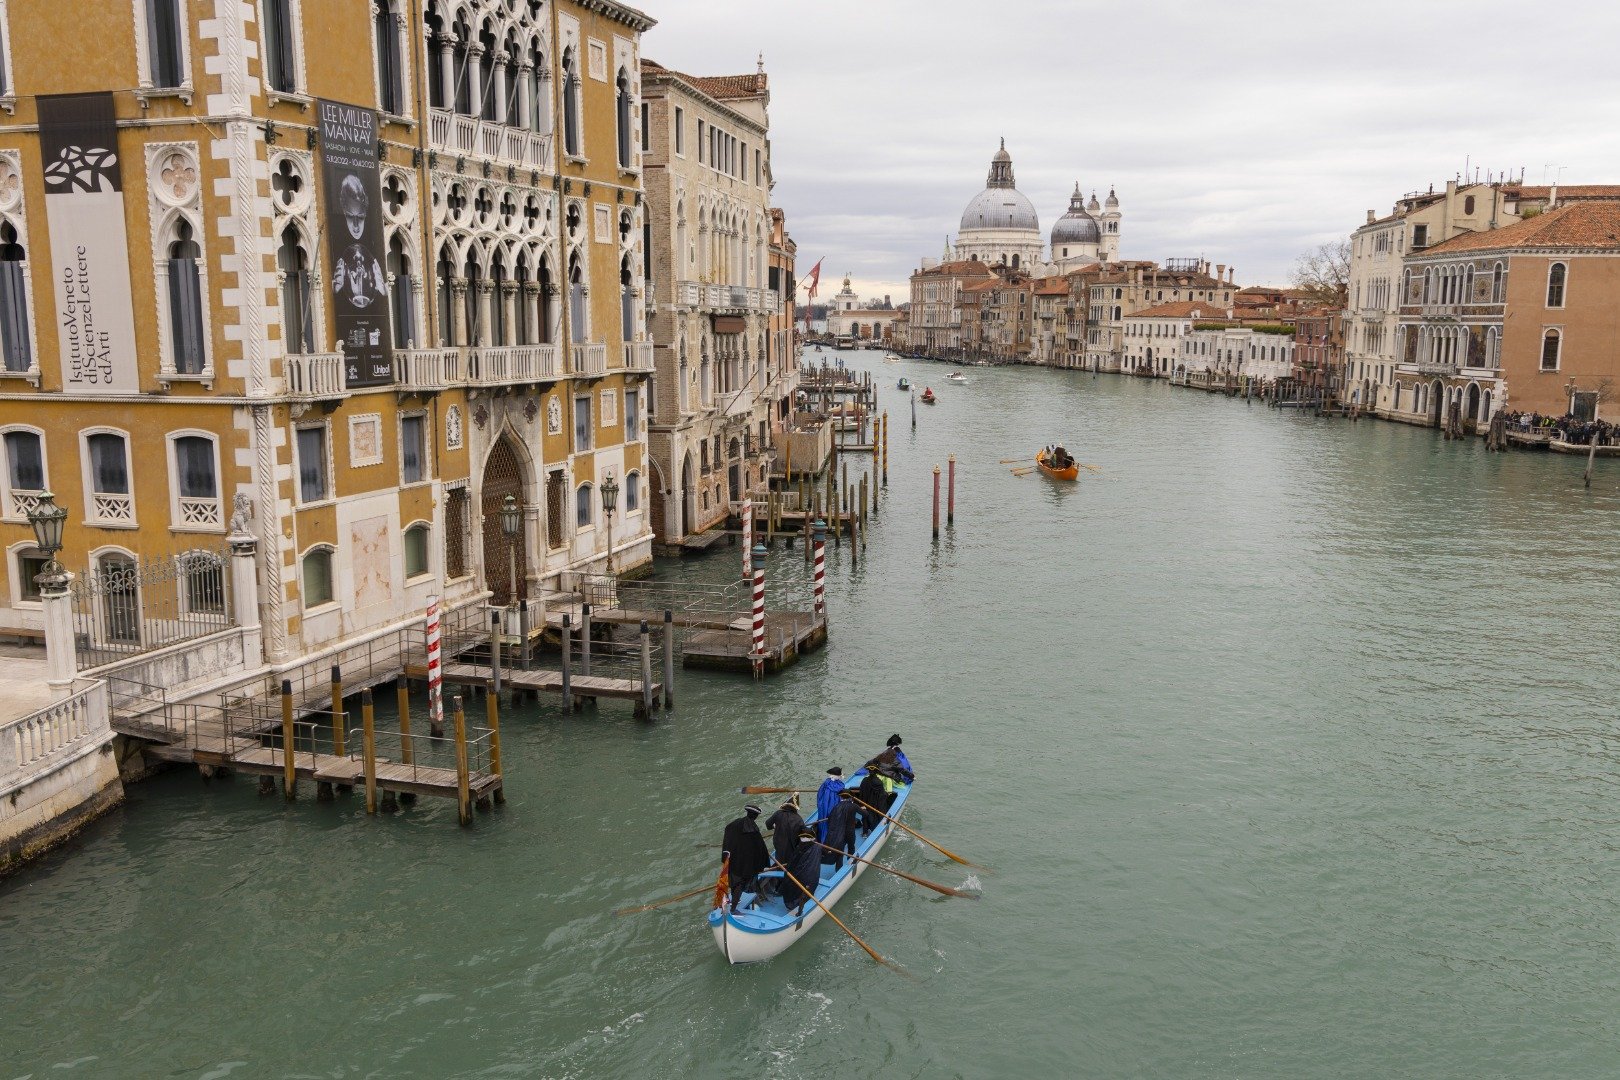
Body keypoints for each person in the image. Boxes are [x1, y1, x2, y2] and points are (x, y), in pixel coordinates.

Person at [720, 804, 769, 909]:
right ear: (755, 816)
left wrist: (728, 850)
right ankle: (733, 909)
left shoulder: (736, 823)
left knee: (734, 881)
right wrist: (764, 862)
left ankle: (733, 902)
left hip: (733, 860)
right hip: (744, 865)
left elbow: (727, 830)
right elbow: (760, 848)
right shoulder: (754, 830)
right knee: (740, 884)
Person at [780, 828, 823, 916]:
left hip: (806, 882)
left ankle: (798, 907)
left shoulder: (803, 847)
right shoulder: (812, 847)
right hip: (805, 880)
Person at [822, 788, 858, 869]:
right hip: (850, 831)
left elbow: (830, 819)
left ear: (841, 797)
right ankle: (850, 862)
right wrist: (865, 809)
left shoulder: (836, 807)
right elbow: (865, 814)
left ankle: (839, 870)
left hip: (841, 833)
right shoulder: (854, 806)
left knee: (840, 853)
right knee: (851, 847)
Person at [765, 799, 806, 869]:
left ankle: (780, 867)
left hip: (778, 844)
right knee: (791, 860)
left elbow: (768, 825)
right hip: (792, 847)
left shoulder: (778, 813)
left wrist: (774, 826)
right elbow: (803, 837)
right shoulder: (799, 819)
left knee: (780, 856)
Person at [814, 767, 844, 843]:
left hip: (824, 808)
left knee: (824, 822)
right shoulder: (840, 785)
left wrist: (820, 806)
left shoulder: (825, 784)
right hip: (835, 809)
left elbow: (819, 796)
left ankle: (823, 839)